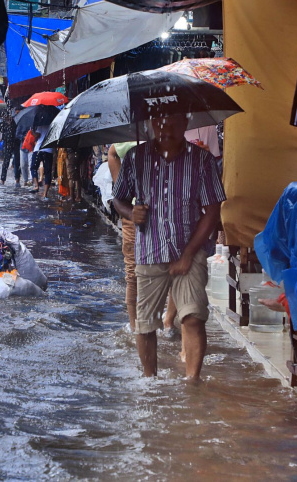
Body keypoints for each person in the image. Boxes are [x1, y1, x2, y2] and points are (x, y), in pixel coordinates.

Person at [112, 115, 226, 380]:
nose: (166, 128)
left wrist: (188, 254)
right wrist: (131, 212)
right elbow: (118, 199)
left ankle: (192, 383)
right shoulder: (135, 157)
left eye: (173, 122)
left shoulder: (202, 160)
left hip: (190, 248)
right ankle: (150, 380)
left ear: (184, 124)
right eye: (160, 122)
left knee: (194, 316)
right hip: (149, 249)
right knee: (145, 323)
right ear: (150, 124)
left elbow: (212, 211)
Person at [29, 125, 54, 200]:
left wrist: (32, 131)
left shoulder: (41, 125)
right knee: (47, 172)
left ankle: (36, 186)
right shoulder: (55, 124)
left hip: (38, 149)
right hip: (49, 150)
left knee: (33, 168)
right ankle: (45, 193)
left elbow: (37, 135)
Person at [0, 109, 21, 187]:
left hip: (15, 143)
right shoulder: (3, 124)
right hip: (7, 143)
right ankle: (2, 180)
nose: (5, 118)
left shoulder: (15, 122)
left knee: (17, 161)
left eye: (5, 116)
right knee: (6, 162)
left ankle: (17, 180)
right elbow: (2, 132)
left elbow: (18, 132)